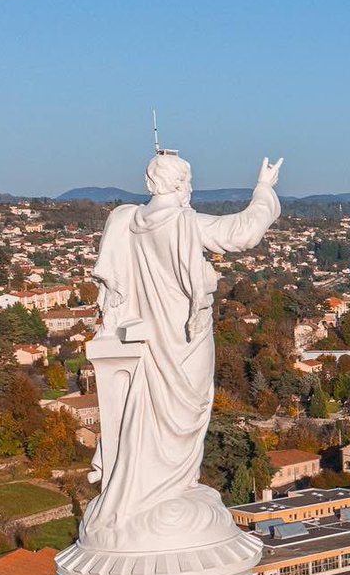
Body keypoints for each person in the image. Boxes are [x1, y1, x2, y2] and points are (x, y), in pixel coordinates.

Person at [81, 152, 281, 546]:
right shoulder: (184, 223)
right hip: (185, 338)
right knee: (188, 409)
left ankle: (150, 487)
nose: (189, 189)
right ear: (177, 185)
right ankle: (168, 488)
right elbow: (242, 232)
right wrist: (264, 189)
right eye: (187, 182)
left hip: (148, 338)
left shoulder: (124, 220)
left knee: (153, 410)